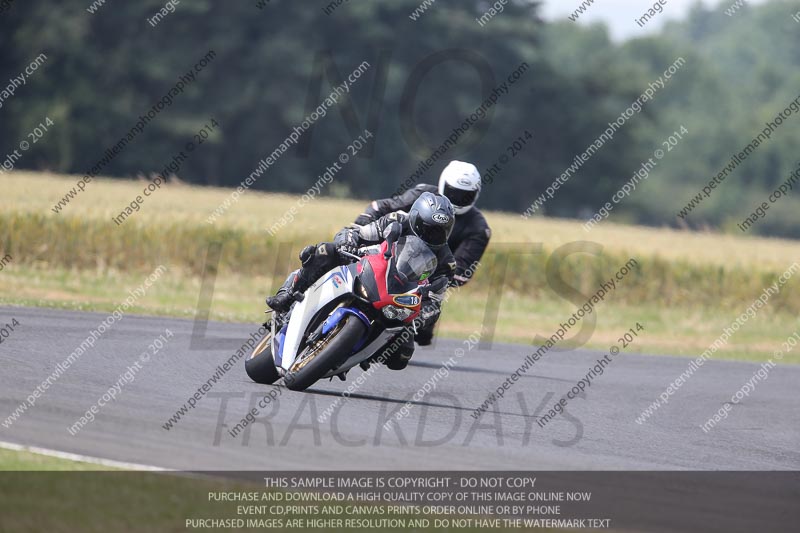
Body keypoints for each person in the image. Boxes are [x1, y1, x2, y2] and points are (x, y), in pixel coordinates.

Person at [266, 192, 457, 370]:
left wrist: (423, 316)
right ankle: (287, 294)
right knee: (325, 251)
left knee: (401, 356)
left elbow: (436, 301)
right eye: (428, 228)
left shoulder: (446, 262)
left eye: (440, 231)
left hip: (397, 297)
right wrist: (348, 240)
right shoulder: (396, 220)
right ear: (415, 217)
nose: (432, 235)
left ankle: (364, 352)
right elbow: (361, 233)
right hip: (368, 266)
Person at [353, 160, 491, 345]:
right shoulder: (423, 195)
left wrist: (435, 278)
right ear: (442, 184)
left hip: (425, 278)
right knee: (330, 253)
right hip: (389, 253)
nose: (457, 199)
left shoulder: (479, 229)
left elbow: (462, 270)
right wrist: (362, 223)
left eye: (464, 196)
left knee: (413, 337)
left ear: (475, 195)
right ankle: (303, 286)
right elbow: (384, 206)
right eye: (453, 193)